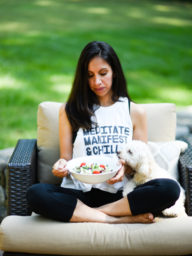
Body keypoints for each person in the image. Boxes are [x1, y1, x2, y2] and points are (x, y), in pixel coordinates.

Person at [27, 41, 180, 224]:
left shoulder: (134, 112)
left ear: (114, 72)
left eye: (103, 73)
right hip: (79, 193)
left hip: (120, 195)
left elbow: (141, 161)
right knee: (35, 193)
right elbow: (66, 158)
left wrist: (124, 168)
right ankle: (115, 220)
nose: (96, 82)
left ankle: (90, 214)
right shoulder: (69, 111)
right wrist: (61, 165)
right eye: (90, 75)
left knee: (169, 189)